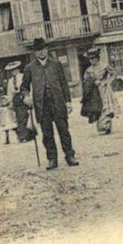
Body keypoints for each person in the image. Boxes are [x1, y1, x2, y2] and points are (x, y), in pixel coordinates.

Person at [26, 38, 77, 169]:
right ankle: (52, 159)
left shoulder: (56, 64)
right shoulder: (30, 68)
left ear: (47, 49)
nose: (41, 52)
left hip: (57, 103)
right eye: (38, 50)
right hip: (42, 106)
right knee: (47, 134)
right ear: (35, 52)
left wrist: (68, 102)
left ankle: (70, 156)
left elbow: (64, 84)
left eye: (43, 49)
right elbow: (24, 87)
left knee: (64, 131)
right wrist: (26, 96)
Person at [80, 52, 117, 135]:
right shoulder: (88, 70)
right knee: (97, 108)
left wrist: (107, 81)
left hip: (104, 90)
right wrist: (93, 82)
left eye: (93, 58)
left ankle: (107, 126)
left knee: (105, 108)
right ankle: (101, 126)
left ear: (97, 58)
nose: (91, 60)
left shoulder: (104, 66)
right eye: (90, 59)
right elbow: (86, 81)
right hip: (95, 92)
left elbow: (114, 73)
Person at [3, 61, 34, 144]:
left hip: (23, 97)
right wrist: (10, 102)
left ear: (18, 69)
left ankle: (24, 136)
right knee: (18, 118)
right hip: (16, 99)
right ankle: (23, 136)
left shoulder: (23, 77)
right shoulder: (10, 81)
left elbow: (27, 87)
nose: (13, 72)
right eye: (11, 70)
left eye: (14, 69)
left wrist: (29, 97)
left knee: (23, 117)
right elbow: (9, 92)